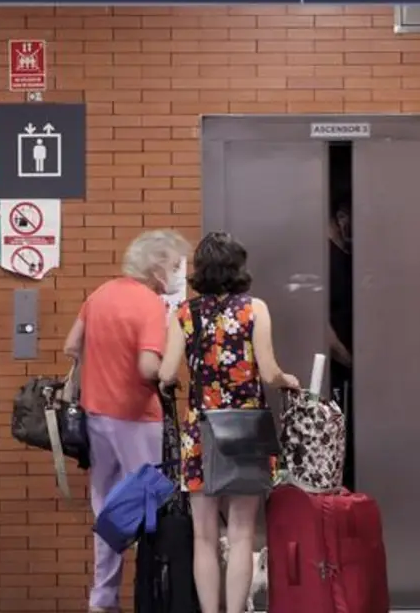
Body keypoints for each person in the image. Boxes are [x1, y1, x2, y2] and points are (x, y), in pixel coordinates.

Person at [156, 232, 301, 613]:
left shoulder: (184, 313)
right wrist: (287, 379)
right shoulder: (254, 309)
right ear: (238, 267)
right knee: (241, 534)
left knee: (204, 536)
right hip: (246, 429)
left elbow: (167, 373)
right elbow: (268, 372)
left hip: (200, 430)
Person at [63, 229, 191, 613]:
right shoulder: (150, 304)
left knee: (107, 508)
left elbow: (72, 345)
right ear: (156, 266)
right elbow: (148, 366)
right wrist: (168, 375)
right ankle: (152, 591)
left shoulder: (100, 294)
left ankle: (103, 597)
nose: (178, 272)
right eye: (174, 264)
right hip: (138, 417)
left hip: (96, 415)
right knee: (150, 506)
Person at [327, 193, 354, 488]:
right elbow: (319, 318)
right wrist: (345, 357)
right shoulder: (326, 258)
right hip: (337, 366)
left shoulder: (346, 256)